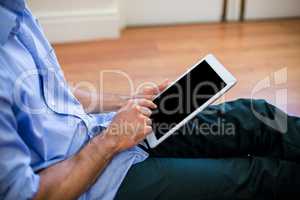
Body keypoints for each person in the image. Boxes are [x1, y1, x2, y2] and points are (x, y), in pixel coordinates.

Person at [0, 1, 299, 200]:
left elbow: (53, 93)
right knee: (254, 176)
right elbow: (31, 195)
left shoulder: (15, 13)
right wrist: (109, 142)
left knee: (253, 117)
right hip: (95, 183)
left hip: (103, 132)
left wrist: (124, 103)